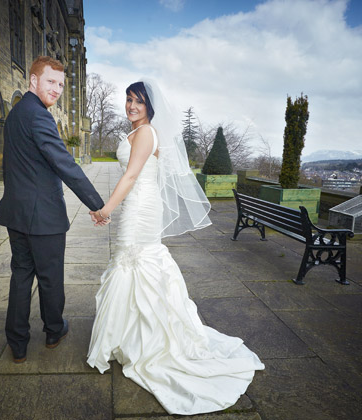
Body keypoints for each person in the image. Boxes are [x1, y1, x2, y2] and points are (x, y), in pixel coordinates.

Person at [87, 79, 265, 415]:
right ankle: (130, 335)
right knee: (132, 263)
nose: (131, 106)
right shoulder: (138, 132)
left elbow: (130, 176)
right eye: (128, 100)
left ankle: (146, 339)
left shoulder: (144, 133)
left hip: (140, 208)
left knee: (134, 261)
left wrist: (106, 209)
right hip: (139, 204)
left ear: (150, 107)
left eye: (138, 101)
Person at [0, 56, 105, 364]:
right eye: (51, 82)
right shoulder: (39, 116)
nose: (57, 90)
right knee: (50, 277)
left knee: (21, 276)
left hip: (16, 212)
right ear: (33, 80)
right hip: (43, 217)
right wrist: (97, 204)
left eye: (61, 85)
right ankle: (54, 330)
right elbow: (64, 162)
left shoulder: (16, 113)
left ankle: (17, 342)